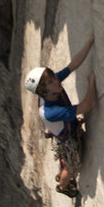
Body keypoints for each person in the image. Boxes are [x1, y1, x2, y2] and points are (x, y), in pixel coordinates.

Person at [24, 34, 96, 198]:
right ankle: (63, 186)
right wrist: (91, 82)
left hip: (67, 129)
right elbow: (86, 105)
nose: (57, 81)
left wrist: (89, 41)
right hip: (66, 139)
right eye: (50, 82)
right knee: (72, 168)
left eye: (52, 79)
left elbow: (73, 65)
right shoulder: (50, 111)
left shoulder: (52, 87)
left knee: (68, 161)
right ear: (43, 91)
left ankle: (62, 170)